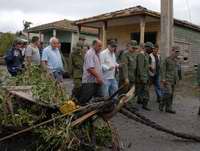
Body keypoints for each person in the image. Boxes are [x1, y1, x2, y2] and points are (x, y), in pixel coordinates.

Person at [78, 39, 103, 105]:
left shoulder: (98, 54)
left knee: (99, 99)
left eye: (101, 46)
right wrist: (98, 77)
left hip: (96, 81)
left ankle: (96, 113)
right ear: (94, 45)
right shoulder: (90, 53)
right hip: (89, 82)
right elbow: (90, 68)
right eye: (99, 46)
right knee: (85, 99)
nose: (101, 48)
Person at [159, 46, 180, 114]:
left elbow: (176, 71)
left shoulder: (176, 60)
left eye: (178, 52)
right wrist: (163, 79)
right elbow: (163, 70)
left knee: (171, 95)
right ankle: (162, 103)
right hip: (167, 79)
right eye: (176, 52)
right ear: (172, 51)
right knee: (168, 93)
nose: (177, 53)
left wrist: (178, 79)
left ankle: (168, 108)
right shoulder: (167, 59)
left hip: (173, 80)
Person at [136, 42, 154, 111]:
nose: (152, 50)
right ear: (146, 48)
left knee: (146, 91)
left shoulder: (147, 55)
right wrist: (142, 78)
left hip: (146, 77)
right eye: (151, 48)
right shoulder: (141, 55)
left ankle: (145, 105)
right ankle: (130, 104)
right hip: (141, 78)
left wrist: (150, 69)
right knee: (137, 91)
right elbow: (140, 68)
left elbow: (146, 66)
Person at [121, 40, 139, 109]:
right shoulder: (125, 54)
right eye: (133, 48)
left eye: (135, 48)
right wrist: (126, 78)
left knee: (131, 91)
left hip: (133, 76)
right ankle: (122, 105)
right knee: (125, 91)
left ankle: (131, 105)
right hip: (127, 76)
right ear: (129, 46)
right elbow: (125, 66)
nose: (134, 49)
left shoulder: (135, 54)